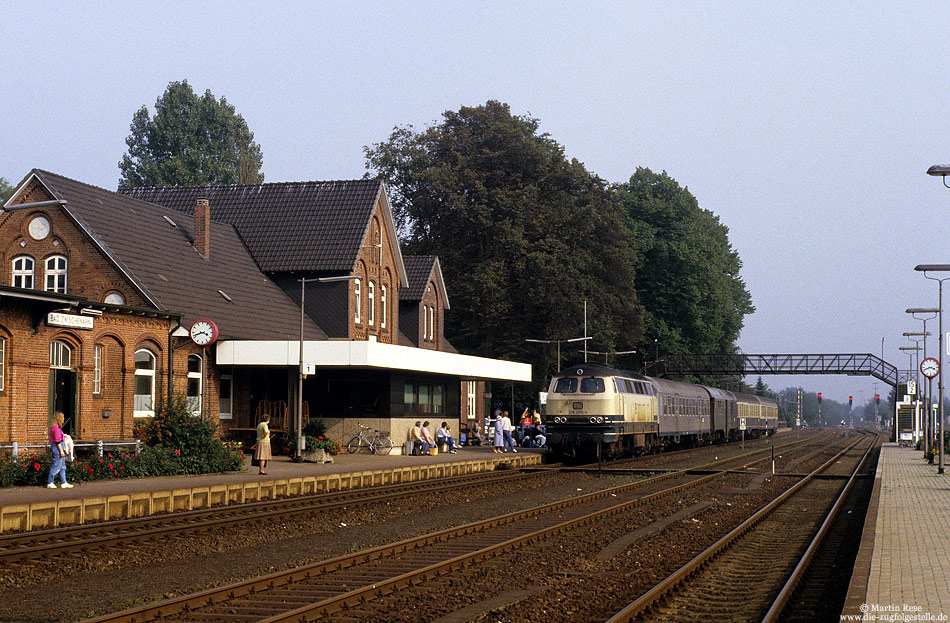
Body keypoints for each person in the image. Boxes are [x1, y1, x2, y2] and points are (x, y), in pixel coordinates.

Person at [46, 411, 72, 488]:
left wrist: (64, 436)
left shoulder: (54, 427)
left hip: (57, 447)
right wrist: (61, 451)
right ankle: (50, 482)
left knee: (62, 466)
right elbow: (57, 441)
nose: (63, 420)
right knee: (56, 465)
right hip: (57, 448)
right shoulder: (56, 428)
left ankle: (64, 482)